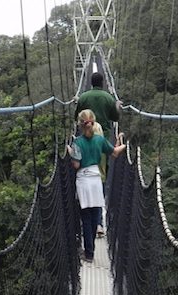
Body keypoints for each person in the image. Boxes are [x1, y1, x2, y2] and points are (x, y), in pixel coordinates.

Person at [67, 109, 126, 263]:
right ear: (93, 122)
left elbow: (76, 164)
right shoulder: (100, 140)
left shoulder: (77, 142)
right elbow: (114, 153)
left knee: (85, 218)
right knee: (94, 217)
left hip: (83, 181)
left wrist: (71, 152)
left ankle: (89, 253)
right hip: (96, 180)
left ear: (79, 124)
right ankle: (90, 251)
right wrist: (124, 145)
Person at [74, 72, 122, 236]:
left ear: (90, 82)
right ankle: (99, 223)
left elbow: (77, 117)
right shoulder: (108, 97)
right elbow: (115, 117)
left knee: (82, 172)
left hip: (84, 146)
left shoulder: (84, 97)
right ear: (102, 83)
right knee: (100, 176)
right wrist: (116, 106)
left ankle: (88, 221)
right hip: (102, 141)